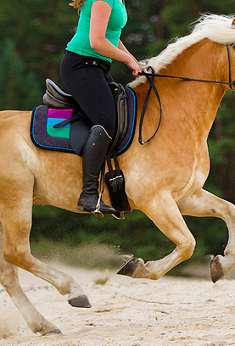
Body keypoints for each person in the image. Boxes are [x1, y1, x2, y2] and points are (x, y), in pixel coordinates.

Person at [61, 0, 141, 215]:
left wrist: (132, 59)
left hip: (96, 67)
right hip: (82, 65)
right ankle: (88, 195)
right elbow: (96, 41)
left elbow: (112, 33)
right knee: (106, 120)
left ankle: (114, 190)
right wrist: (127, 59)